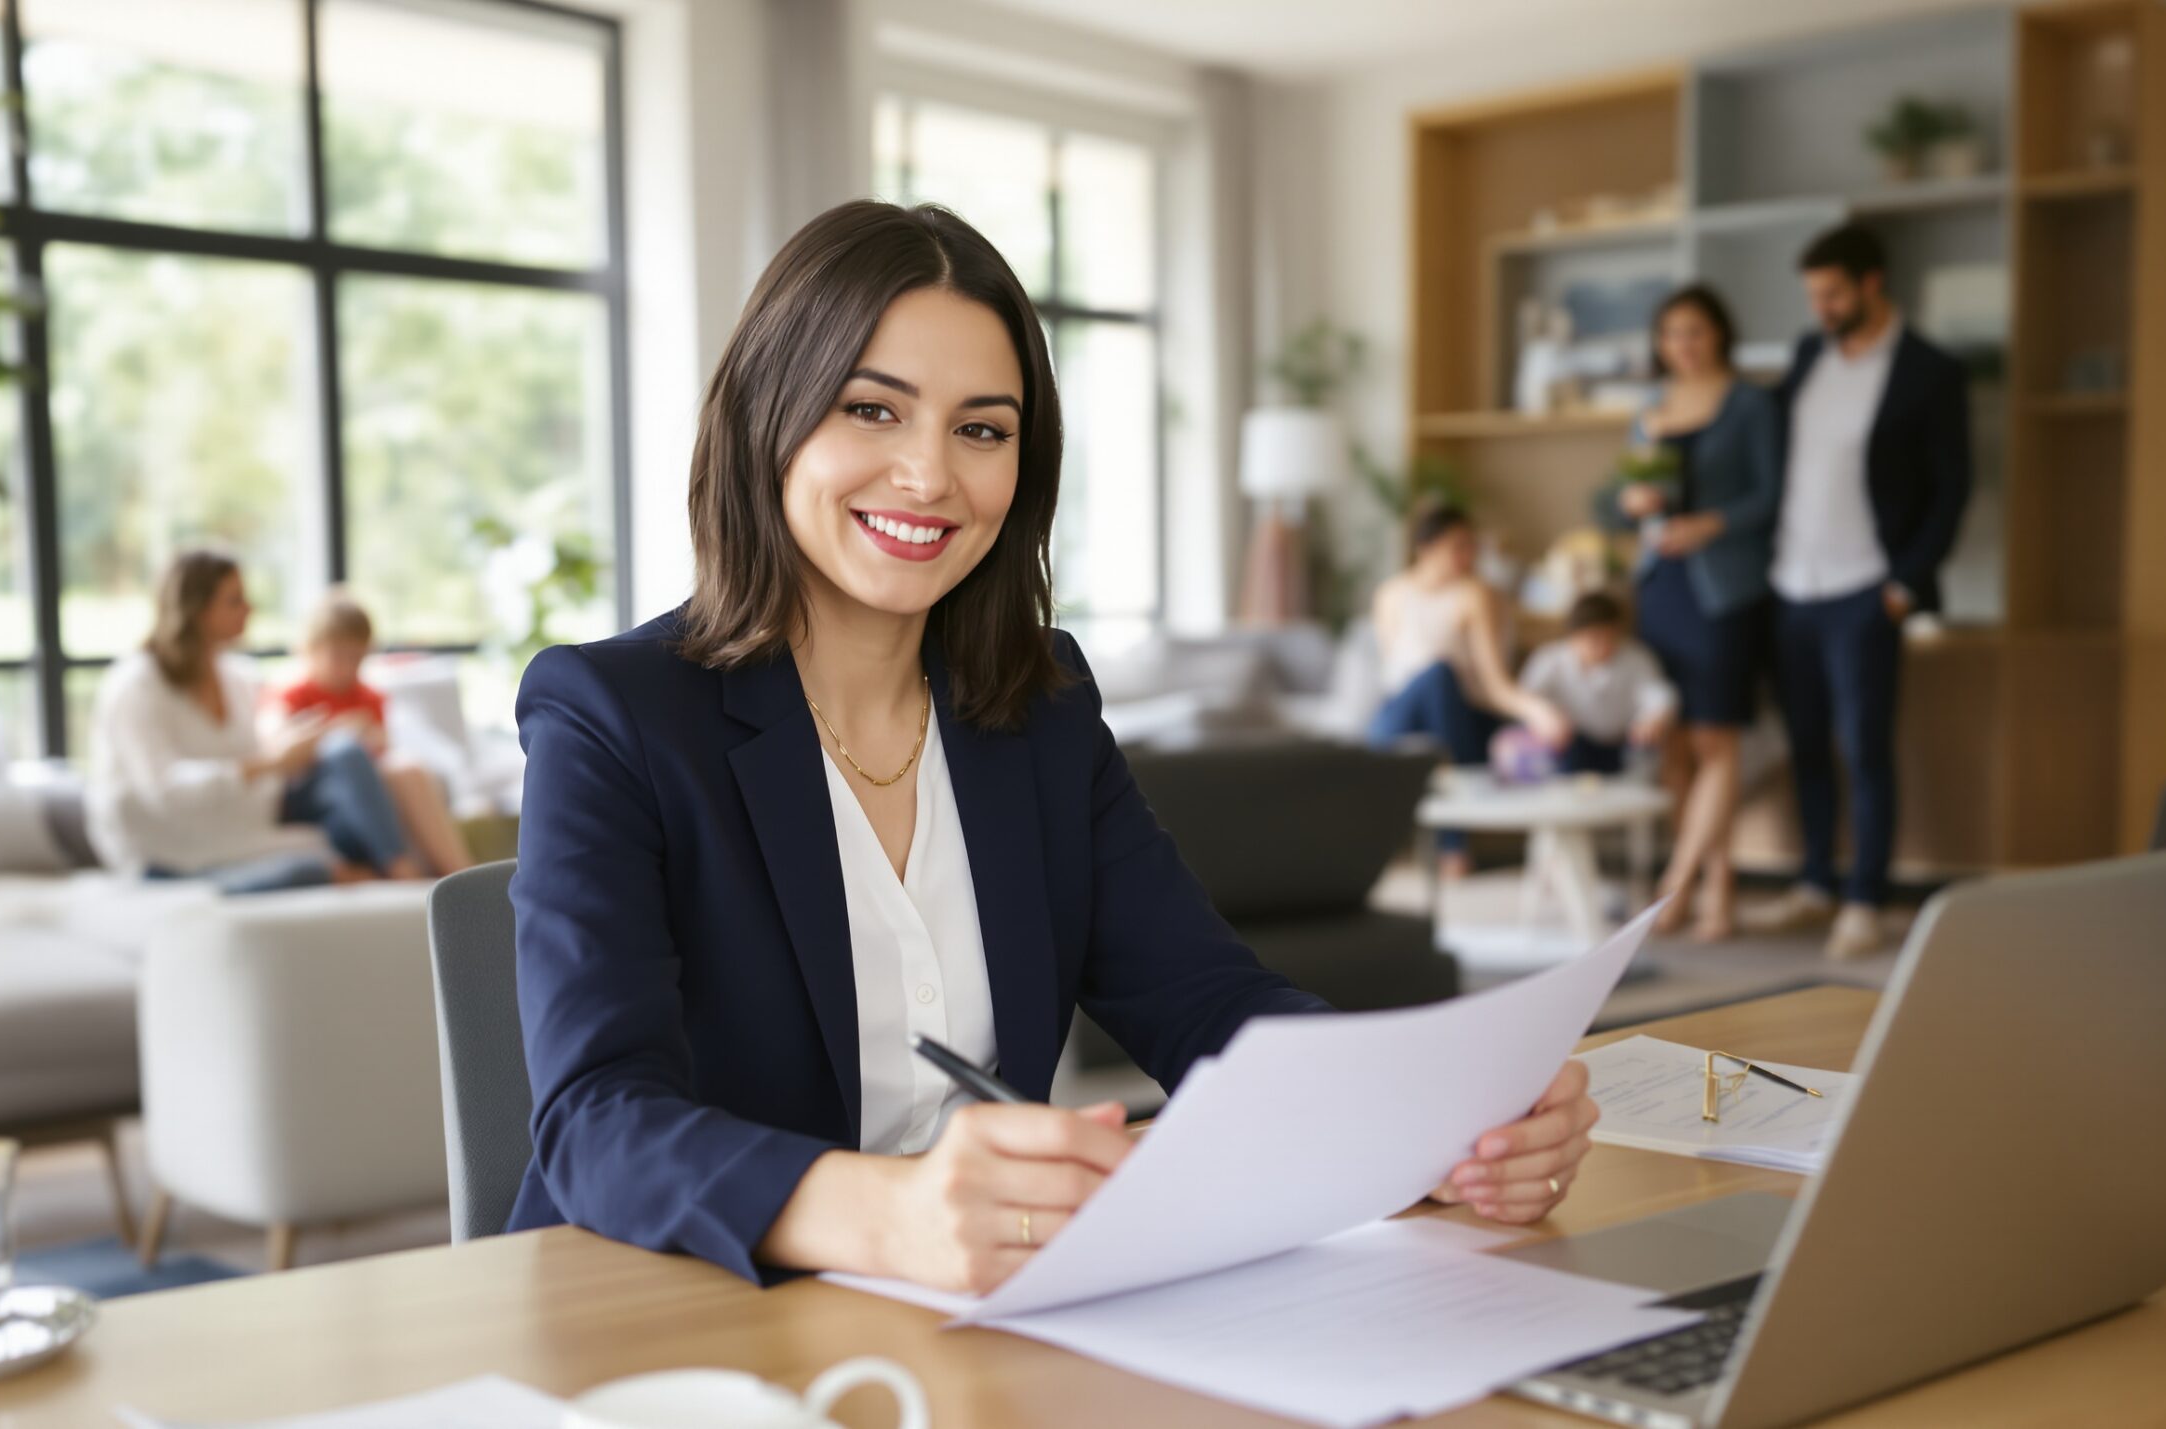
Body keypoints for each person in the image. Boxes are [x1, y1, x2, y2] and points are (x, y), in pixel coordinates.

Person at [506, 200, 1601, 1294]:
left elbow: (1205, 1002)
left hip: (979, 1312)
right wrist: (886, 1215)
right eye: (872, 410)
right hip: (673, 1316)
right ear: (767, 416)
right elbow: (597, 1120)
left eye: (981, 429)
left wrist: (1434, 1128)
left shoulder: (1037, 707)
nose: (930, 476)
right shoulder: (612, 715)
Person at [1750, 225, 1971, 959]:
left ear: (1873, 283)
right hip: (1791, 584)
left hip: (1863, 590)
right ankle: (1816, 881)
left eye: (1833, 293)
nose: (1820, 307)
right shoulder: (1809, 355)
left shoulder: (1929, 370)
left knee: (1864, 747)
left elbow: (1952, 488)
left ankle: (1864, 898)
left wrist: (1905, 583)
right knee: (1807, 744)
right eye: (1813, 294)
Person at [1596, 284, 1782, 941]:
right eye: (1671, 333)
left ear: (1720, 333)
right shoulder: (1650, 408)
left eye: (1695, 331)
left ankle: (1675, 886)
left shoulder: (1751, 403)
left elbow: (1771, 494)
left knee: (1715, 736)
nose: (1684, 344)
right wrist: (1633, 504)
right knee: (1674, 738)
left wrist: (1709, 524)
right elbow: (1617, 496)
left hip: (1724, 587)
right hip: (1662, 582)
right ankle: (1719, 889)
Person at [88, 551, 426, 894]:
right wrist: (272, 762)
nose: (250, 610)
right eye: (235, 601)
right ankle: (388, 876)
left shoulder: (238, 677)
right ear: (197, 609)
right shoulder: (136, 685)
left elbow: (270, 756)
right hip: (167, 853)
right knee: (305, 871)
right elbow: (164, 790)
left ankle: (406, 871)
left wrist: (310, 740)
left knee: (345, 753)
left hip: (243, 832)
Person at [1367, 507, 1574, 878]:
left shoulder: (1473, 595)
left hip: (1456, 716)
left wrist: (1537, 711)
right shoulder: (1391, 594)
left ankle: (1454, 843)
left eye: (1472, 547)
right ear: (1424, 548)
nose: (1468, 557)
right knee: (1433, 677)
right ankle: (1452, 844)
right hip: (1399, 718)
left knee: (1442, 679)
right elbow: (1391, 675)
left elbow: (1494, 683)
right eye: (1458, 547)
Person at [271, 588, 475, 877]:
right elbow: (281, 756)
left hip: (360, 795)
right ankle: (399, 865)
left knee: (407, 767)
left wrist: (373, 739)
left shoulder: (369, 698)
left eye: (356, 658)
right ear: (311, 648)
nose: (347, 668)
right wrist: (337, 729)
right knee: (345, 748)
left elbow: (381, 753)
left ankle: (461, 875)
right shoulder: (293, 696)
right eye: (338, 656)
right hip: (315, 798)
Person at [1518, 592, 1677, 778]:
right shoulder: (1550, 659)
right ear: (1573, 636)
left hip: (1622, 746)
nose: (1603, 647)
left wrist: (1653, 719)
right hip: (1570, 746)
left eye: (1610, 638)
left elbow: (1658, 695)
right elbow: (1524, 698)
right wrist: (1543, 716)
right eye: (1594, 639)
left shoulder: (1636, 658)